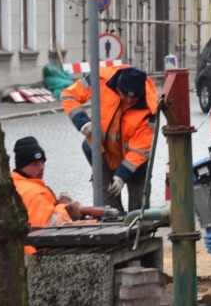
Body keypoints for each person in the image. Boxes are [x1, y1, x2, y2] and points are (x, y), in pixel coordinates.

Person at [60, 65, 158, 213]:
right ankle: (116, 229)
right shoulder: (100, 80)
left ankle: (138, 231)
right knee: (108, 208)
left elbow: (140, 150)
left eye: (134, 97)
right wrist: (82, 122)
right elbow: (69, 95)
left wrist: (121, 175)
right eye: (125, 95)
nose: (129, 100)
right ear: (118, 85)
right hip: (102, 152)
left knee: (139, 209)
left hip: (135, 163)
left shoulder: (150, 109)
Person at [0, 137, 81, 254]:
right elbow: (51, 230)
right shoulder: (34, 194)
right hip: (28, 259)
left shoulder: (8, 186)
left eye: (43, 162)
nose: (42, 168)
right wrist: (64, 208)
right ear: (22, 166)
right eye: (35, 164)